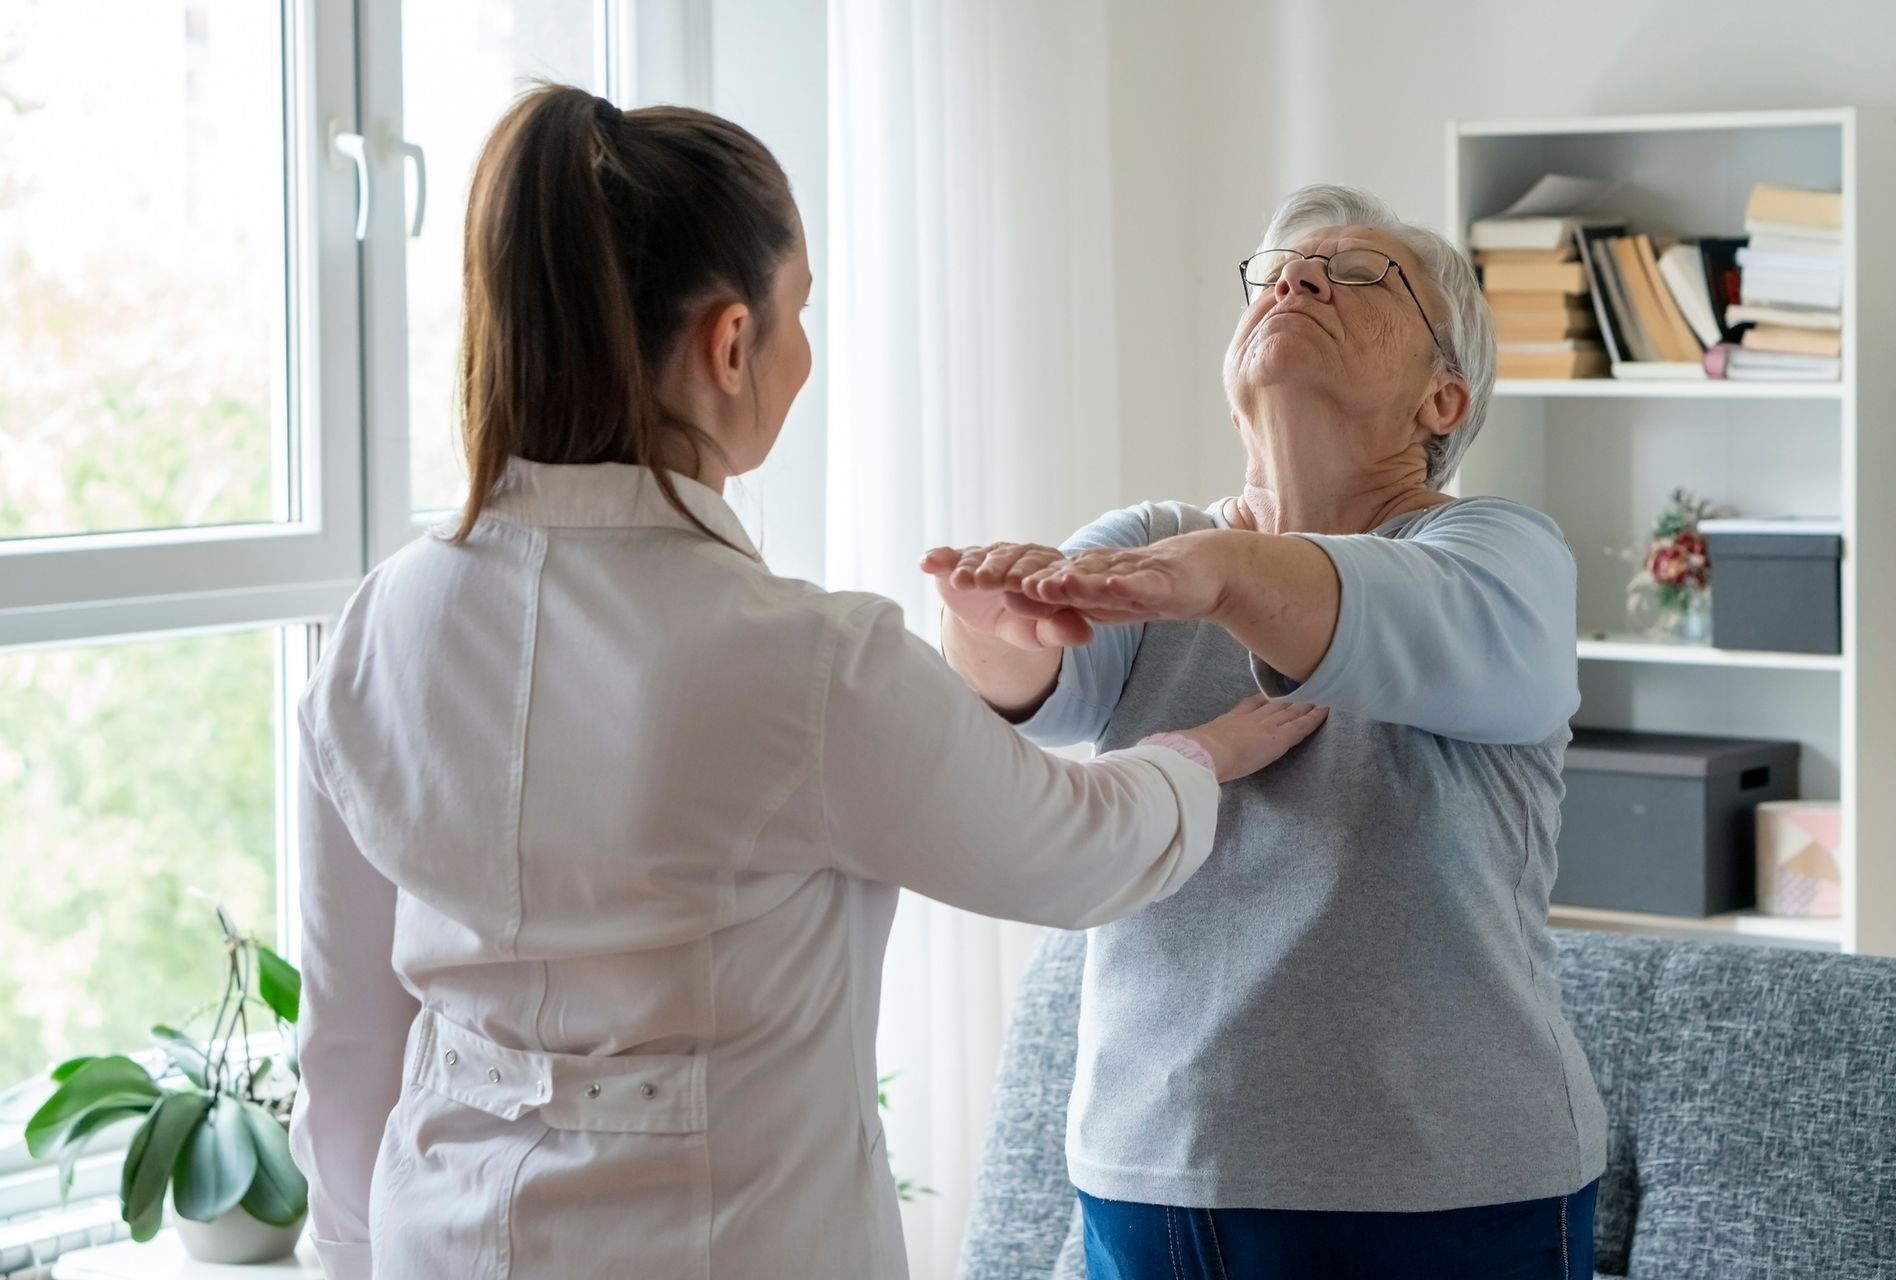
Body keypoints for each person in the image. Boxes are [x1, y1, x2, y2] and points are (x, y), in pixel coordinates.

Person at [288, 86, 1325, 1280]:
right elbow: (1075, 850)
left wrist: (354, 1251)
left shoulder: (381, 619)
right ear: (731, 344)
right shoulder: (802, 658)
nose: (805, 353)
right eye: (798, 314)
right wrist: (1207, 750)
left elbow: (349, 1029)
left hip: (440, 1241)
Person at [927, 184, 1605, 1279]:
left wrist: (1223, 568)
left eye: (1357, 275)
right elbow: (1027, 691)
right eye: (1280, 271)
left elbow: (1367, 608)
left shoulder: (1501, 556)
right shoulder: (1158, 545)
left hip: (1445, 1184)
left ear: (1444, 399)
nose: (1293, 280)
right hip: (1153, 1167)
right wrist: (996, 626)